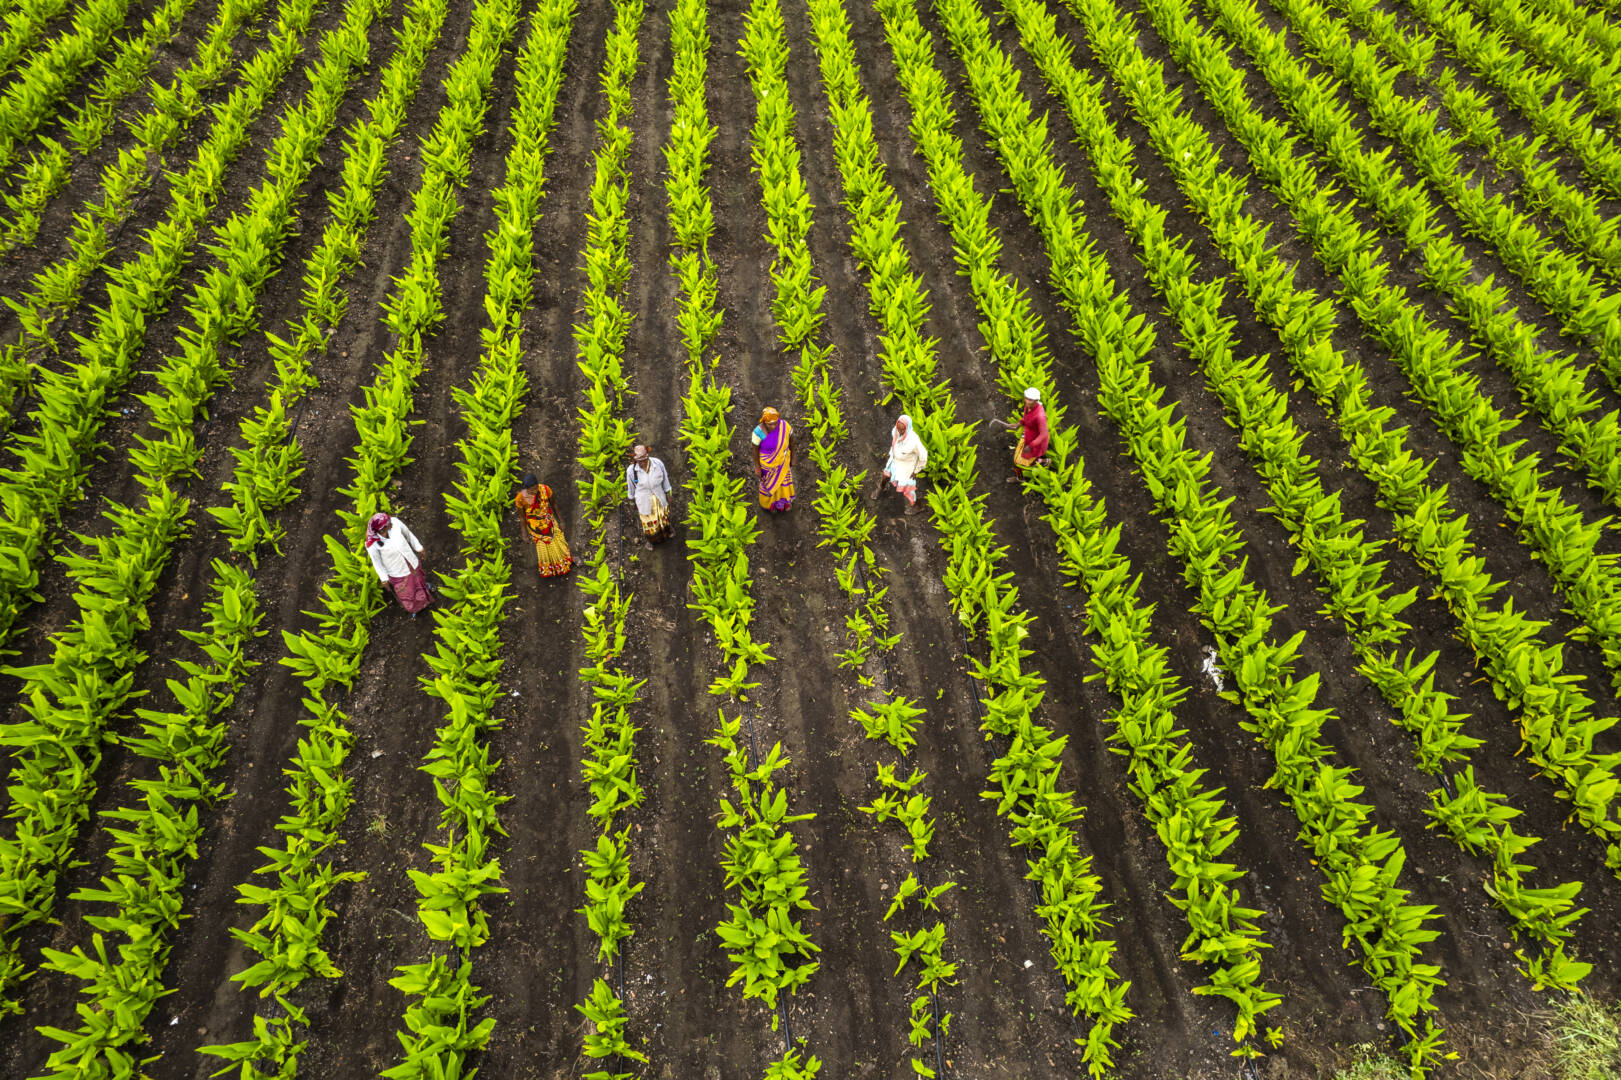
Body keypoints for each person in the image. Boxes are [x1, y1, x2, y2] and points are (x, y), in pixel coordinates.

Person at [364, 511, 432, 616]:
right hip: (397, 570)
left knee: (418, 578)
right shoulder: (372, 544)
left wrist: (419, 547)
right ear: (382, 529)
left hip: (410, 560)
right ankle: (416, 608)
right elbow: (377, 562)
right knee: (407, 590)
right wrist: (384, 578)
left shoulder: (395, 523)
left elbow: (408, 534)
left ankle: (425, 591)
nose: (391, 523)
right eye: (388, 524)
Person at [514, 472, 574, 577]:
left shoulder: (545, 490)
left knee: (558, 544)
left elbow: (554, 504)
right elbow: (522, 517)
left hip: (549, 522)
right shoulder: (520, 499)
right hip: (536, 528)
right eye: (530, 491)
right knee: (544, 550)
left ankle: (565, 564)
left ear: (538, 485)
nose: (534, 492)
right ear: (525, 490)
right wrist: (524, 534)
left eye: (535, 489)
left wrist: (561, 521)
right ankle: (551, 569)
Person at [869, 414, 928, 514]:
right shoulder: (895, 431)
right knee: (885, 475)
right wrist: (891, 453)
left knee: (908, 489)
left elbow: (923, 456)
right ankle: (881, 488)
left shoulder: (914, 441)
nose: (900, 431)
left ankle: (917, 506)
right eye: (898, 428)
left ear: (908, 428)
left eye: (902, 430)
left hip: (906, 468)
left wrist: (916, 470)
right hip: (894, 461)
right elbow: (894, 443)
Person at [990, 387, 1049, 483]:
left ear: (1036, 400)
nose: (1026, 401)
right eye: (1026, 398)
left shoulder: (1040, 416)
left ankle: (1022, 477)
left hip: (1035, 441)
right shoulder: (1028, 407)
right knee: (1020, 460)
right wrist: (1018, 424)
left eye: (1030, 399)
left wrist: (1031, 446)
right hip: (1027, 435)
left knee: (1017, 461)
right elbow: (1026, 418)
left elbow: (1043, 435)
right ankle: (1043, 462)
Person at [626, 444, 673, 545]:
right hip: (643, 500)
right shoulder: (631, 471)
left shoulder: (658, 463)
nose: (642, 463)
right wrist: (632, 502)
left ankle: (667, 532)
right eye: (640, 461)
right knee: (648, 522)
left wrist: (668, 493)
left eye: (644, 460)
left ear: (647, 456)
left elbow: (665, 479)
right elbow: (631, 488)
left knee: (662, 517)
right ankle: (651, 541)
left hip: (658, 496)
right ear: (636, 459)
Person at [752, 406, 795, 512]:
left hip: (782, 462)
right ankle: (770, 504)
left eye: (776, 422)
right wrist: (757, 467)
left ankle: (783, 503)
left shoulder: (785, 426)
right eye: (770, 424)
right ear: (764, 422)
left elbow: (792, 442)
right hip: (767, 466)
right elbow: (755, 450)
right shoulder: (758, 432)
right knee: (769, 485)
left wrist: (793, 457)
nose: (774, 426)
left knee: (782, 483)